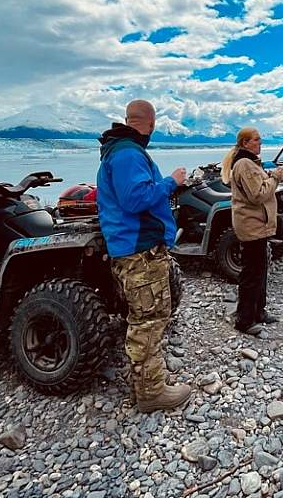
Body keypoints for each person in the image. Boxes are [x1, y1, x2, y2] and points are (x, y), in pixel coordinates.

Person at [96, 99, 191, 412]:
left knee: (149, 317)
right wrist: (171, 182)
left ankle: (146, 380)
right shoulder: (126, 153)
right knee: (149, 320)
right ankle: (151, 392)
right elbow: (136, 199)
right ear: (150, 123)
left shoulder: (122, 150)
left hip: (136, 248)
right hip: (139, 252)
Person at [221, 127, 283, 336]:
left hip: (257, 224)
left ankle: (259, 311)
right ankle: (245, 320)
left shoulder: (249, 163)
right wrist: (275, 177)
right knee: (252, 273)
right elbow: (258, 195)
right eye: (256, 140)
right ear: (245, 144)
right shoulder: (244, 164)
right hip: (252, 226)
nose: (260, 143)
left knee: (260, 270)